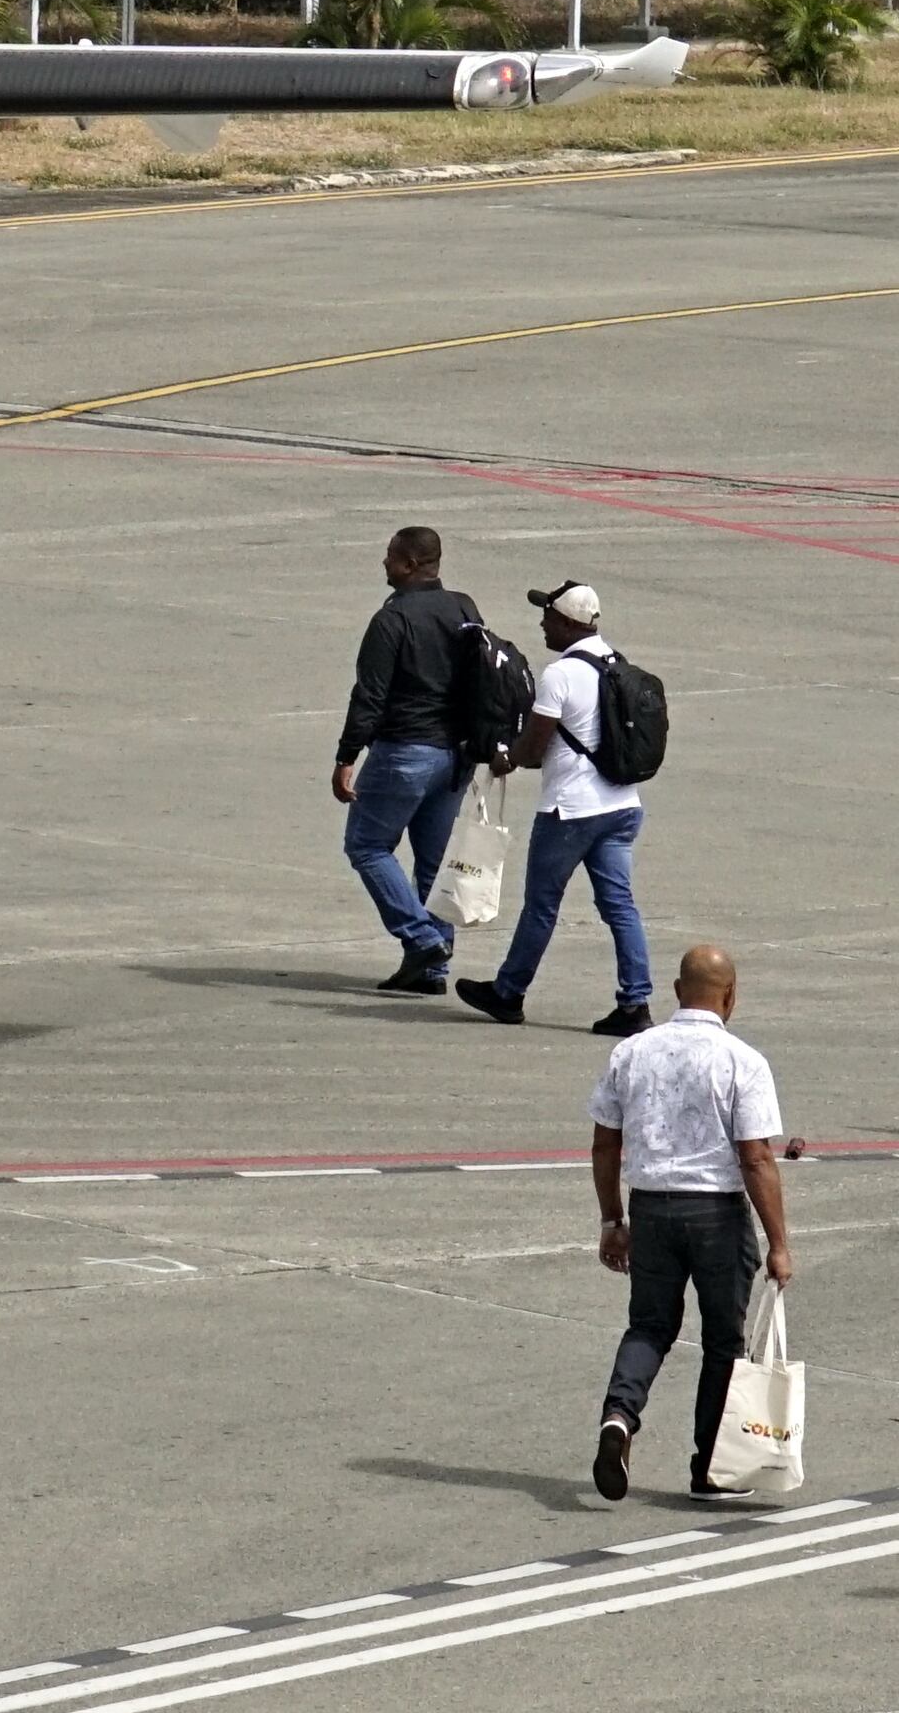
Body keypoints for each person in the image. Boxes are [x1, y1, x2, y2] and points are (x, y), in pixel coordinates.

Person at [588, 943, 789, 1501]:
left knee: (649, 1326)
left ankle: (619, 1417)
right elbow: (756, 1158)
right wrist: (779, 1243)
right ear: (731, 996)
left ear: (677, 991)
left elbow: (606, 1144)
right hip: (717, 1216)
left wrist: (613, 1219)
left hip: (651, 1207)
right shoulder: (741, 1061)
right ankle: (709, 1469)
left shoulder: (633, 1051)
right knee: (723, 1341)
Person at [461, 578, 651, 1036]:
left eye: (548, 616)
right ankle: (635, 1002)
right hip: (622, 806)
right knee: (620, 907)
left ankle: (508, 993)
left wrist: (505, 758)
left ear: (569, 623)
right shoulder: (614, 662)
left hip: (570, 812)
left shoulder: (561, 674)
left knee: (541, 906)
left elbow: (534, 745)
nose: (542, 624)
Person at [332, 523, 487, 995]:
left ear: (411, 564)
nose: (384, 562)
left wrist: (346, 756)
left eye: (390, 556)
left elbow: (370, 695)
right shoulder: (464, 607)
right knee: (433, 861)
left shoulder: (391, 619)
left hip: (406, 750)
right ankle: (432, 969)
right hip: (455, 755)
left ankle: (421, 939)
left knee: (367, 845)